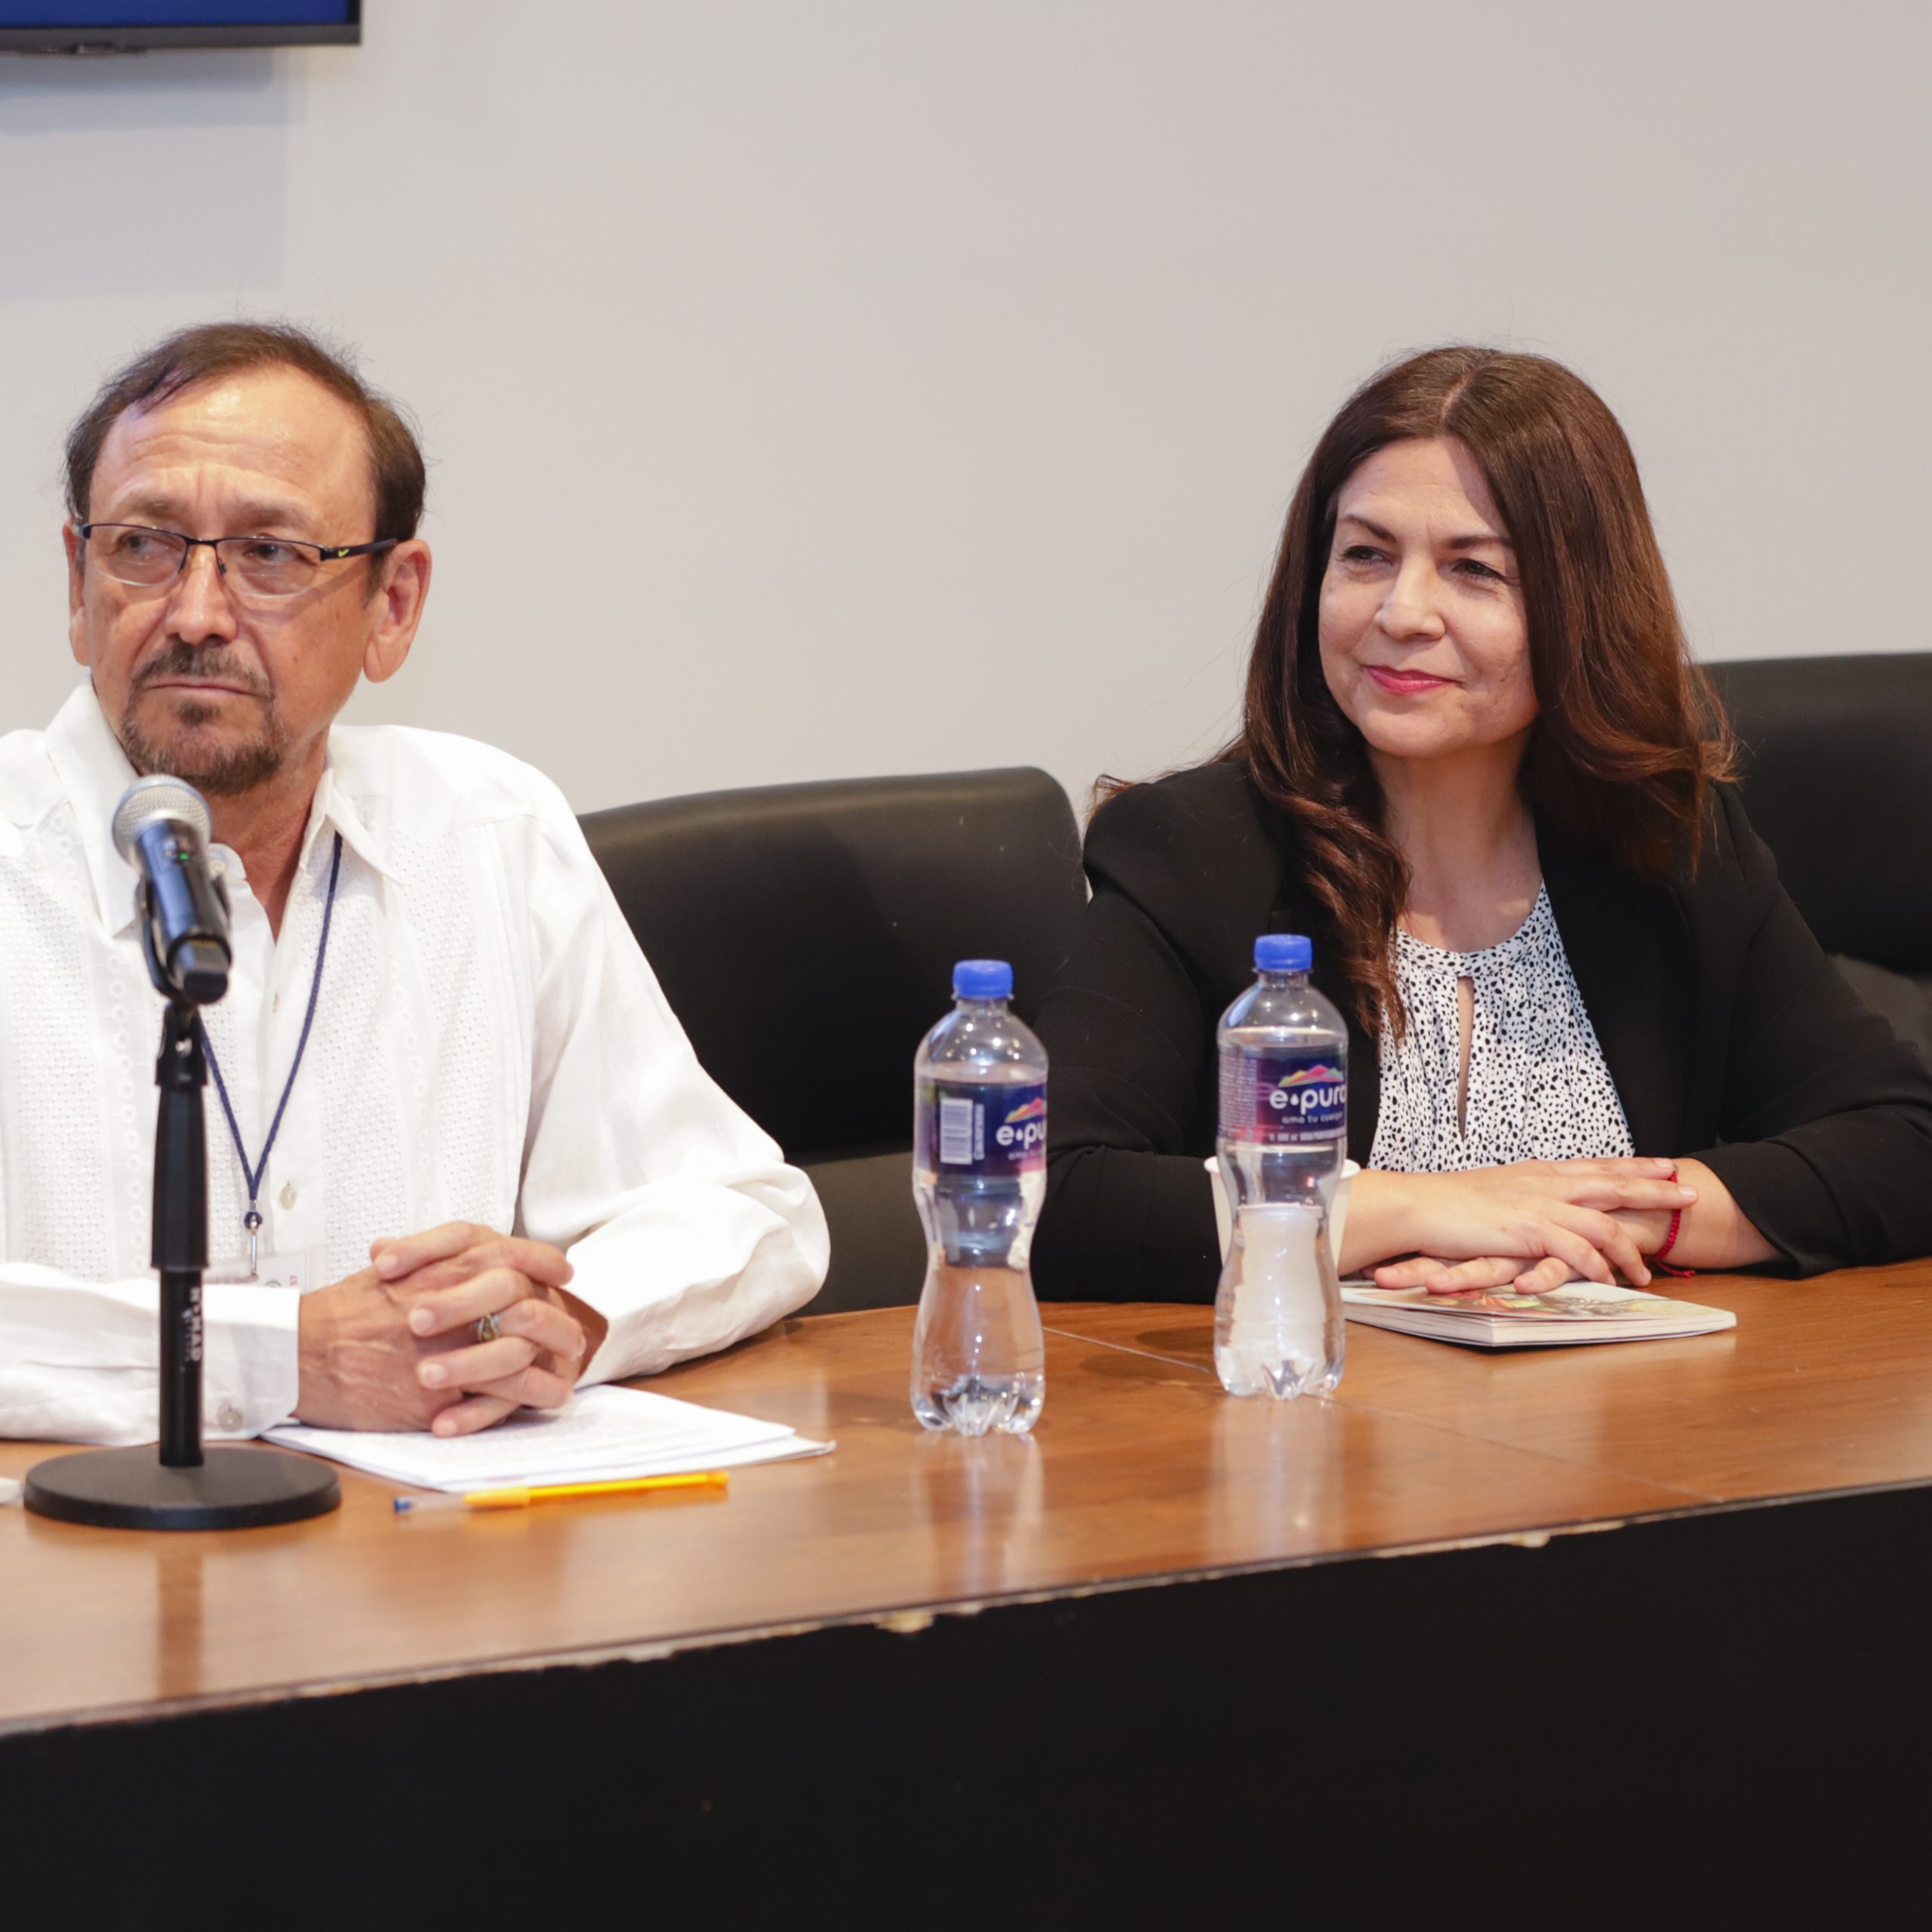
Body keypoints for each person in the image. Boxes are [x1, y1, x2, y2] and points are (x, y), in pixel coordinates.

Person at [0, 321, 827, 1445]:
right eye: (144, 546)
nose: (194, 613)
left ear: (392, 605)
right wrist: (287, 1357)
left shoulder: (487, 829)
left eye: (269, 556)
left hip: (421, 1577)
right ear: (76, 579)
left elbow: (751, 1214)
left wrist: (567, 1318)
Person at [1035, 346, 1932, 1302]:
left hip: (1629, 1432)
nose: (1402, 611)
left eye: (1472, 570)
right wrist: (1424, 1207)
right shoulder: (1197, 854)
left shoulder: (1668, 849)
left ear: (1580, 607)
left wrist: (1611, 1218)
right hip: (1317, 1423)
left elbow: (1903, 1140)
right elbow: (1048, 1195)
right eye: (1366, 555)